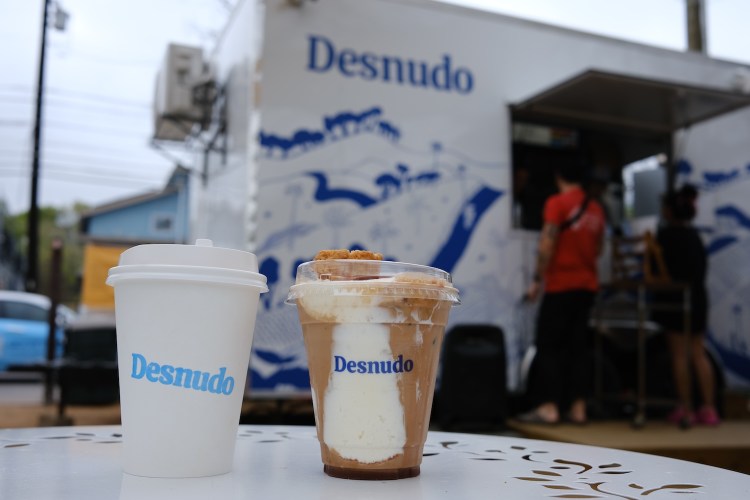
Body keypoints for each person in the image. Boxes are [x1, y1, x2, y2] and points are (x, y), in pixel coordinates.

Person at [519, 163, 606, 425]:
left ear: (558, 177)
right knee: (578, 348)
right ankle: (578, 408)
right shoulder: (596, 209)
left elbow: (547, 242)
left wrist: (536, 280)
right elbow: (599, 248)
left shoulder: (557, 203)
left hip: (560, 285)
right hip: (587, 287)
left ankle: (549, 407)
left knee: (549, 346)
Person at [654, 185, 720, 426]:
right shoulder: (695, 236)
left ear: (669, 211)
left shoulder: (665, 236)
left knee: (679, 355)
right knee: (699, 354)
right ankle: (709, 408)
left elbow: (657, 271)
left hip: (675, 299)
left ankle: (686, 409)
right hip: (698, 298)